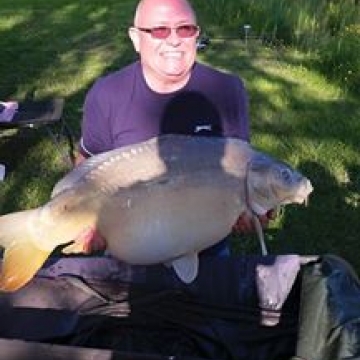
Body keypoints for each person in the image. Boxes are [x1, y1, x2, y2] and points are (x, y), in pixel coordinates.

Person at [75, 0, 274, 254]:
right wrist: (88, 223)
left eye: (185, 29)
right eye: (159, 30)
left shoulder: (228, 91)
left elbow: (242, 170)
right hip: (129, 242)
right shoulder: (106, 94)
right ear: (135, 38)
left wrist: (257, 208)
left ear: (197, 36)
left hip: (206, 242)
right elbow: (87, 161)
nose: (174, 40)